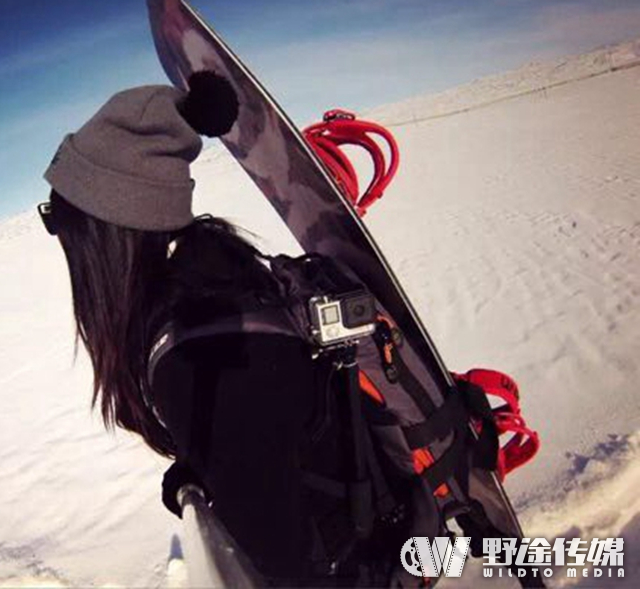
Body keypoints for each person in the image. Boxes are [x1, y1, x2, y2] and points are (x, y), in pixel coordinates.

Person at [39, 75, 394, 586]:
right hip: (393, 532)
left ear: (106, 228)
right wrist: (206, 464)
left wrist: (216, 456)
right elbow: (271, 444)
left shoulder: (202, 355)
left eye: (60, 218)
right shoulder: (216, 283)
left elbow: (288, 571)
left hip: (386, 562)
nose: (58, 234)